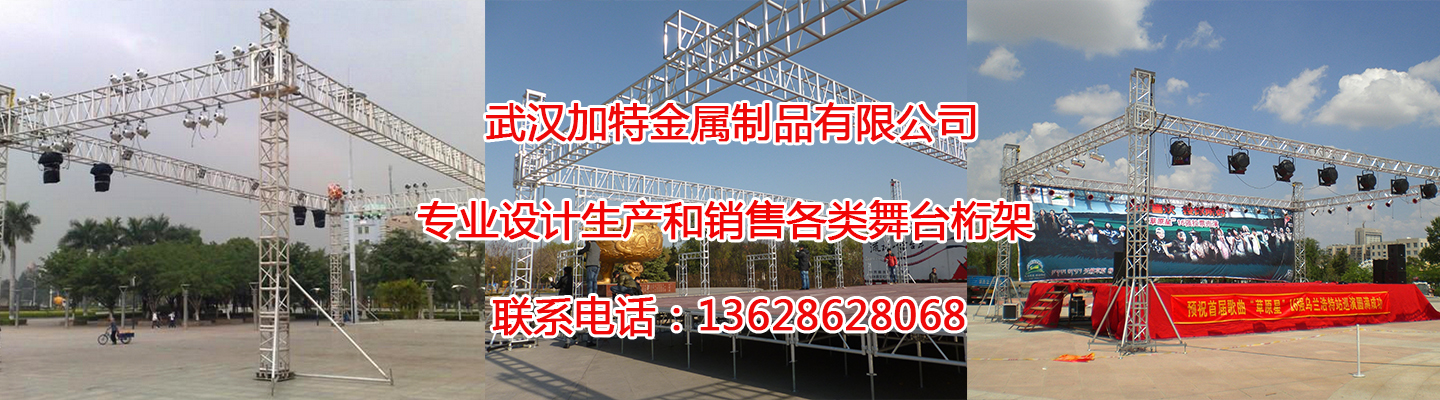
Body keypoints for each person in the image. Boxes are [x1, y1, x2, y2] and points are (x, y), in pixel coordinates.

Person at [576, 240, 602, 347]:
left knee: (590, 281)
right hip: (597, 265)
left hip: (591, 265)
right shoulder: (598, 247)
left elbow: (583, 251)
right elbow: (591, 255)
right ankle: (594, 295)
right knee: (594, 282)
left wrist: (578, 253)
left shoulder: (589, 244)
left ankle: (590, 296)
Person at [550, 266, 576, 348]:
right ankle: (571, 335)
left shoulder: (563, 278)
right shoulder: (573, 279)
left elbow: (557, 286)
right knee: (567, 316)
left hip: (562, 298)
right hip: (570, 298)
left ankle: (569, 337)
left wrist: (551, 282)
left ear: (565, 271)